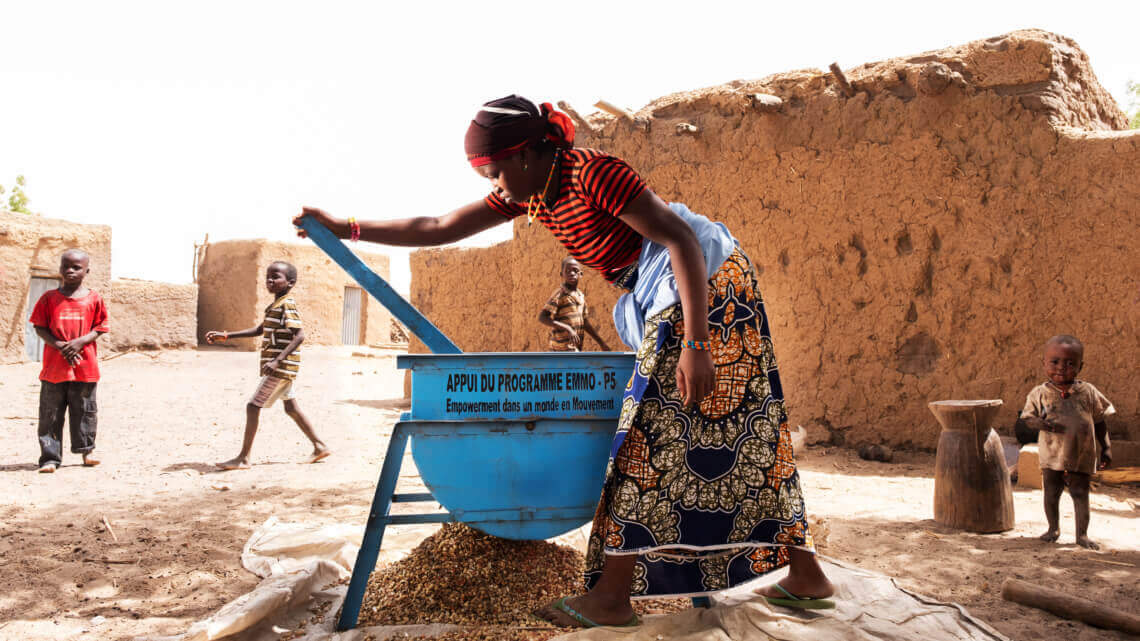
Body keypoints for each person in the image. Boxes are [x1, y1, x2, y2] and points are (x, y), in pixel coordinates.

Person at [294, 95, 833, 627]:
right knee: (744, 431)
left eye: (497, 170)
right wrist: (346, 227)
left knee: (645, 432)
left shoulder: (593, 174)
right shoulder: (532, 194)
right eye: (487, 175)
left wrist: (696, 345)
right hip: (672, 287)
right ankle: (807, 575)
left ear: (528, 153)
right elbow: (439, 226)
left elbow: (681, 239)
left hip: (702, 281)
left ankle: (612, 597)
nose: (494, 184)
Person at [204, 261, 330, 470]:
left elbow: (299, 336)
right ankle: (319, 445)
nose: (269, 280)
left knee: (253, 407)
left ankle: (243, 458)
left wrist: (277, 360)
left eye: (276, 277)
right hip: (283, 367)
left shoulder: (287, 304)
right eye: (267, 277)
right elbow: (259, 330)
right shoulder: (274, 306)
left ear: (290, 282)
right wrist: (225, 335)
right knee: (291, 407)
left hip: (281, 368)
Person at [1015, 334, 1113, 549]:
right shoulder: (1040, 393)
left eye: (1070, 363)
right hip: (1052, 455)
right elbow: (1027, 419)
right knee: (1052, 492)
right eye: (1055, 361)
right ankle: (1053, 528)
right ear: (1044, 364)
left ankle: (1082, 535)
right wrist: (1042, 424)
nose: (1061, 367)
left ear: (1081, 366)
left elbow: (1099, 420)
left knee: (1080, 494)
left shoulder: (1088, 392)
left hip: (1081, 454)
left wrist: (1106, 447)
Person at [31, 249, 109, 473]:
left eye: (76, 267)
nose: (70, 271)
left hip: (85, 367)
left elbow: (100, 327)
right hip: (54, 368)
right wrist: (60, 346)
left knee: (85, 410)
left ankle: (86, 451)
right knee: (50, 414)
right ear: (59, 269)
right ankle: (50, 458)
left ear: (87, 271)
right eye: (66, 266)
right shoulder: (49, 299)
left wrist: (79, 342)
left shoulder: (93, 298)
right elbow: (39, 327)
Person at [539, 257, 610, 351]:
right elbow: (543, 317)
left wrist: (601, 343)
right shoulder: (560, 294)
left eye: (575, 270)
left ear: (580, 274)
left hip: (574, 348)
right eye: (567, 271)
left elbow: (585, 323)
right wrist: (568, 328)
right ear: (562, 274)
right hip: (560, 350)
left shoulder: (581, 296)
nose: (571, 273)